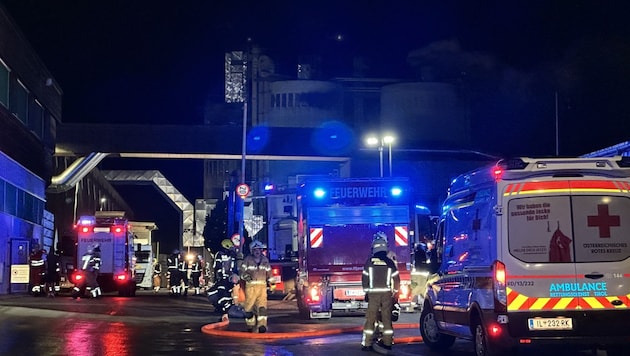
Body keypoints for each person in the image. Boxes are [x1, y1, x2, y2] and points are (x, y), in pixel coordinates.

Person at [361, 235, 400, 351]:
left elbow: (365, 278)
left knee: (371, 318)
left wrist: (366, 292)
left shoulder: (369, 262)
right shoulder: (389, 263)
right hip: (387, 294)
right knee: (386, 318)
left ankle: (367, 343)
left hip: (373, 294)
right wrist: (396, 293)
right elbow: (396, 279)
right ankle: (387, 342)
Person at [240, 240, 274, 333]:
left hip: (262, 288)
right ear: (252, 251)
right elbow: (242, 272)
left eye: (259, 249)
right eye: (255, 250)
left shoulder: (265, 260)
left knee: (262, 308)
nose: (257, 251)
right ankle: (250, 325)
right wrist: (246, 277)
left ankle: (262, 326)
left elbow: (269, 273)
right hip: (251, 287)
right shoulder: (247, 260)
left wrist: (272, 285)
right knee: (248, 308)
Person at [208, 239, 240, 321]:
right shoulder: (220, 254)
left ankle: (225, 309)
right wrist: (220, 276)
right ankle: (223, 308)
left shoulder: (232, 255)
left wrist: (235, 276)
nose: (232, 248)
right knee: (221, 294)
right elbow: (217, 266)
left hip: (230, 279)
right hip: (222, 279)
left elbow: (234, 267)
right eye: (230, 247)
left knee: (227, 294)